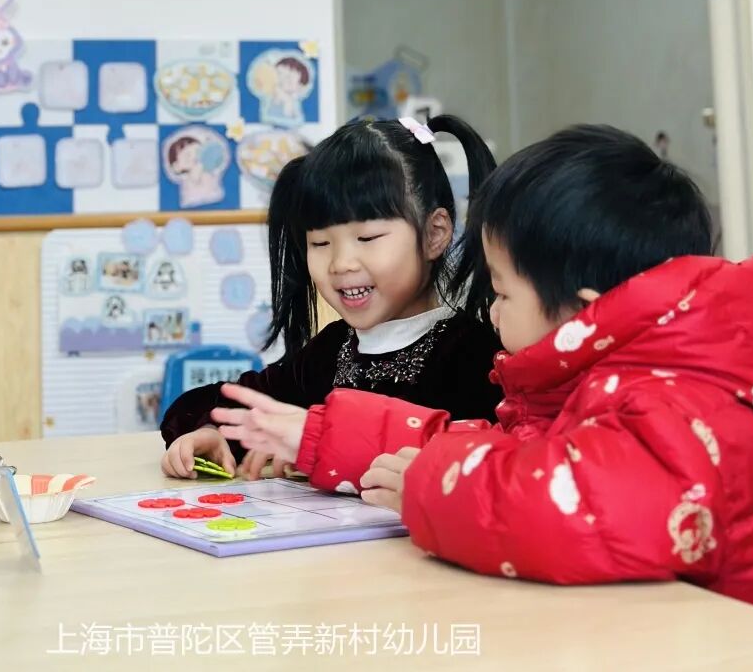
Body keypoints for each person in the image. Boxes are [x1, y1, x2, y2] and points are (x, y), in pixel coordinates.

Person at [214, 126, 753, 613]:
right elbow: (508, 453)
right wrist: (323, 436)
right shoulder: (606, 379)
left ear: (582, 312)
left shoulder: (677, 401)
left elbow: (557, 512)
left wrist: (426, 486)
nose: (490, 311)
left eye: (504, 293)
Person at [161, 113, 502, 480]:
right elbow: (219, 403)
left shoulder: (476, 355)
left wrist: (317, 441)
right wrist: (215, 432)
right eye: (320, 243)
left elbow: (477, 467)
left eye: (367, 238)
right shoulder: (331, 350)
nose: (340, 263)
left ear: (434, 234)